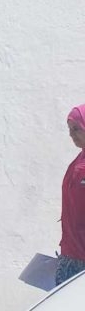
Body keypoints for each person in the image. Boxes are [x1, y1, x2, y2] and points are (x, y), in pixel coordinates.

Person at [58, 104, 85, 285]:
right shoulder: (76, 162)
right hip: (71, 255)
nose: (71, 134)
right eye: (69, 129)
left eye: (76, 128)